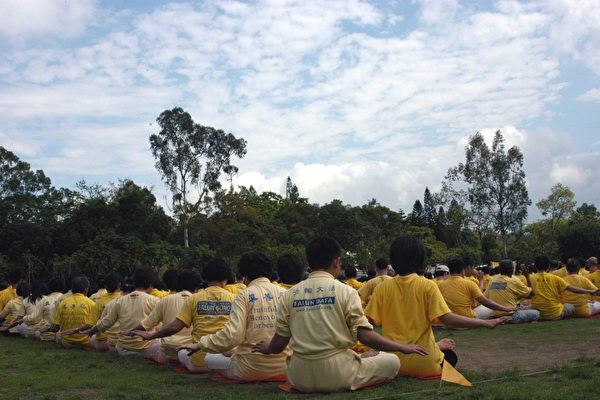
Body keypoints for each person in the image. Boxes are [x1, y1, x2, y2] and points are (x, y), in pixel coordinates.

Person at [253, 237, 428, 393]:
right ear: (337, 262)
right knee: (392, 360)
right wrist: (402, 347)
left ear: (310, 263)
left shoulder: (289, 295)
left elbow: (278, 345)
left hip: (299, 377)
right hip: (338, 374)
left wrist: (267, 348)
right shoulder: (346, 291)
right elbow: (365, 336)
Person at [365, 236, 511, 379]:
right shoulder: (427, 285)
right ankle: (435, 347)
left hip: (392, 364)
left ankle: (435, 346)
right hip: (424, 364)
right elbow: (447, 318)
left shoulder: (381, 288)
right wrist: (485, 323)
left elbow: (365, 325)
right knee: (450, 356)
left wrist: (371, 350)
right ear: (420, 259)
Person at [178, 252, 292, 381]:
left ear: (244, 275)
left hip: (250, 369)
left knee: (209, 357)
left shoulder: (244, 296)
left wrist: (200, 345)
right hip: (285, 368)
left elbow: (233, 335)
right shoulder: (286, 294)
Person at [131, 258, 236, 373]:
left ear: (205, 277)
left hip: (199, 363)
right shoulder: (234, 298)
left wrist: (151, 336)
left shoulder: (194, 299)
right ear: (226, 278)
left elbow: (174, 327)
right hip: (224, 358)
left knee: (182, 352)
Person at [84, 268, 160, 357]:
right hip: (147, 350)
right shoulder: (154, 300)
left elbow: (106, 322)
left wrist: (92, 330)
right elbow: (161, 327)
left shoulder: (120, 301)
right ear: (150, 285)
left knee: (93, 339)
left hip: (123, 350)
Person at [131, 270, 199, 363]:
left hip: (168, 350)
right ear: (196, 288)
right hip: (191, 349)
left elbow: (147, 323)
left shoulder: (165, 300)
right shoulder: (199, 301)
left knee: (153, 345)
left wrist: (130, 331)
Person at [438, 258, 517, 322]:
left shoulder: (440, 285)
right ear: (463, 270)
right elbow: (484, 301)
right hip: (468, 321)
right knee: (489, 308)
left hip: (449, 322)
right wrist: (506, 309)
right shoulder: (469, 283)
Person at [61, 272, 123, 351]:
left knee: (91, 338)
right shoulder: (125, 299)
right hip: (123, 339)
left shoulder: (100, 302)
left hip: (104, 342)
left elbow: (90, 325)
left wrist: (75, 330)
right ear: (120, 285)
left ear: (105, 286)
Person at [530, 256, 600, 320]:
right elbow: (577, 290)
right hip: (580, 312)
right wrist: (590, 292)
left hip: (540, 313)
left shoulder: (531, 278)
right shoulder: (584, 279)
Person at [41, 276, 96, 348]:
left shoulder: (63, 303)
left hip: (66, 342)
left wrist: (47, 329)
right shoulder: (91, 303)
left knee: (58, 335)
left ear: (72, 289)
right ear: (86, 290)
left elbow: (55, 327)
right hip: (85, 342)